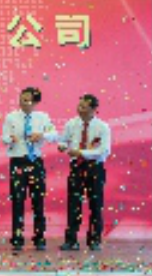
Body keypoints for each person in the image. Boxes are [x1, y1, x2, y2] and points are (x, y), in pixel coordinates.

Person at [1, 87, 58, 251]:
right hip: (18, 161)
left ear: (35, 102)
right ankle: (17, 238)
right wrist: (9, 139)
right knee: (17, 200)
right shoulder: (11, 117)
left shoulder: (42, 117)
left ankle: (39, 237)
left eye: (28, 100)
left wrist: (42, 135)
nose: (24, 102)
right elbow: (4, 138)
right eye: (22, 99)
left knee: (38, 200)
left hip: (35, 161)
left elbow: (54, 135)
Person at [58, 94, 111, 252]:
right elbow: (63, 140)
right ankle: (71, 240)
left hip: (95, 167)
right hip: (77, 167)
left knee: (95, 204)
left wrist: (81, 152)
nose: (80, 109)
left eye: (84, 107)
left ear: (93, 109)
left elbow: (104, 150)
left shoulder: (102, 127)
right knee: (74, 203)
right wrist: (62, 146)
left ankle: (94, 240)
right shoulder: (71, 124)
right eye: (79, 106)